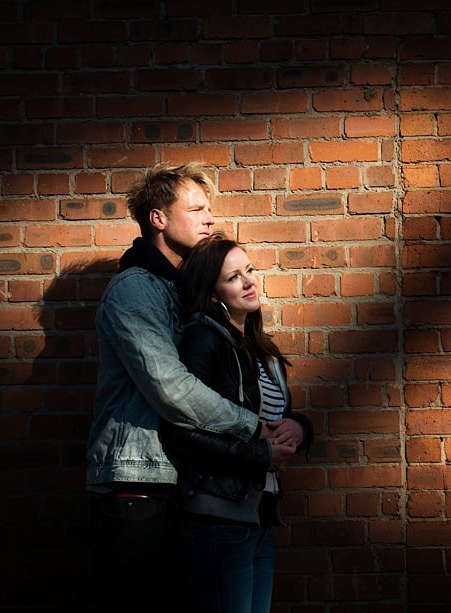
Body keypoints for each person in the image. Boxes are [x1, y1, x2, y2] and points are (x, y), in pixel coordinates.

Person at [86, 163, 265, 610]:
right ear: (158, 220)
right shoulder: (135, 289)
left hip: (176, 486)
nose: (210, 219)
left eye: (210, 210)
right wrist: (252, 427)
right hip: (136, 488)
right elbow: (171, 388)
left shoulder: (181, 291)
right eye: (197, 209)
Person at [160, 232, 314, 613]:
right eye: (233, 277)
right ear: (213, 294)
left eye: (249, 270)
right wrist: (260, 453)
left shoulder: (263, 352)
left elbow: (267, 418)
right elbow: (181, 432)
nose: (249, 281)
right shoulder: (203, 341)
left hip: (258, 516)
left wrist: (301, 428)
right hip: (217, 518)